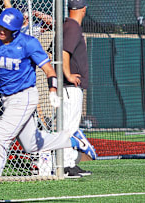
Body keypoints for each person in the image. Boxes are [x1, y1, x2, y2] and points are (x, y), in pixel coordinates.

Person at [0, 8, 96, 203]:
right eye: (0, 25)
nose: (1, 30)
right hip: (8, 99)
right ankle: (73, 141)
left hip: (25, 97)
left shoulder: (28, 43)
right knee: (32, 144)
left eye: (7, 28)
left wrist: (53, 91)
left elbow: (49, 70)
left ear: (16, 30)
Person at [62, 0, 92, 178]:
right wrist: (68, 74)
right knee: (69, 126)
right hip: (70, 87)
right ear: (84, 9)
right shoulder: (73, 26)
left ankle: (70, 162)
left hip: (69, 87)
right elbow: (65, 52)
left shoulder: (68, 25)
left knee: (70, 125)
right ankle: (65, 164)